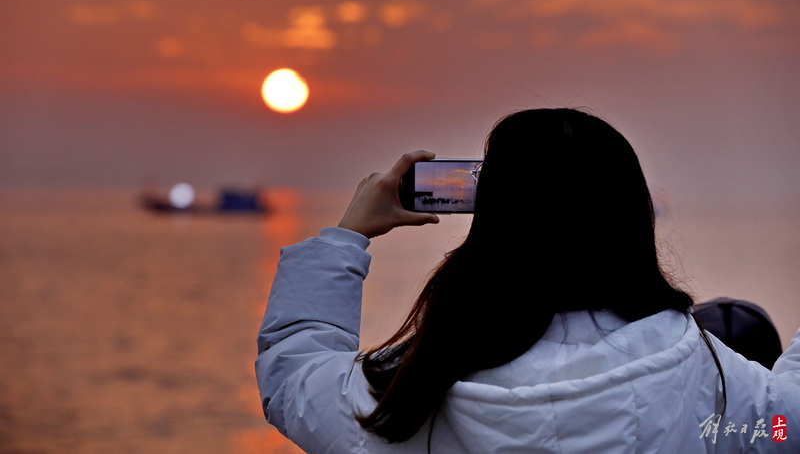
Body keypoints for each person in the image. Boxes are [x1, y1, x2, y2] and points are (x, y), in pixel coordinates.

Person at [256, 108, 800, 453]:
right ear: (629, 218)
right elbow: (784, 424)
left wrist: (347, 236)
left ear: (493, 219)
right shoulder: (707, 377)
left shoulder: (405, 399)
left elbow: (293, 378)